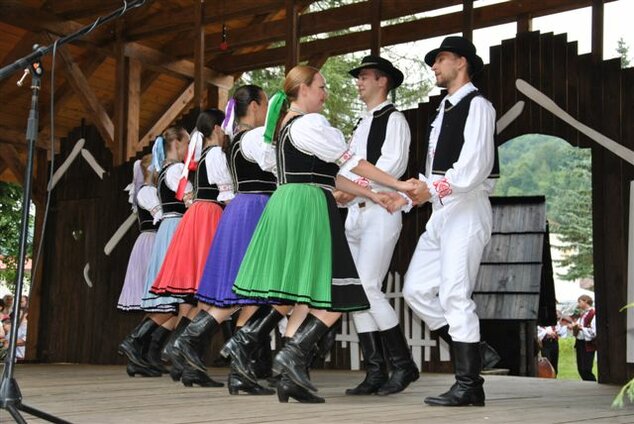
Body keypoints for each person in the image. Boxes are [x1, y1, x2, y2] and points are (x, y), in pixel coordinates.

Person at [222, 65, 417, 404]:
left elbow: (331, 174)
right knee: (337, 294)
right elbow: (351, 162)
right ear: (303, 89)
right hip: (308, 207)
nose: (326, 93)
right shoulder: (312, 124)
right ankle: (292, 355)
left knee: (305, 295)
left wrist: (373, 195)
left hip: (292, 202)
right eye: (322, 87)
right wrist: (398, 184)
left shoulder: (285, 126)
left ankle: (288, 376)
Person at [393, 36, 499, 407]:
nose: (434, 67)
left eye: (440, 59)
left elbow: (474, 167)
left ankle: (470, 384)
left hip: (466, 206)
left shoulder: (478, 106)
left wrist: (430, 190)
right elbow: (433, 172)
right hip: (442, 210)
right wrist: (407, 196)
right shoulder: (444, 109)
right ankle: (475, 349)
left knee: (455, 294)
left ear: (462, 62)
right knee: (416, 290)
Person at [172, 85, 277, 396]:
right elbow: (278, 166)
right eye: (266, 104)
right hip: (257, 209)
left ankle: (211, 353)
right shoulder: (256, 138)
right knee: (257, 292)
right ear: (256, 106)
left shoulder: (231, 144)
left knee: (248, 295)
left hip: (243, 209)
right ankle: (199, 345)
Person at [337, 55, 418, 396]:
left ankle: (403, 365)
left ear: (383, 81)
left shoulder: (394, 119)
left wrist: (356, 188)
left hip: (380, 211)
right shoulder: (361, 123)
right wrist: (344, 191)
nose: (359, 81)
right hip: (355, 212)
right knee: (356, 291)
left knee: (368, 286)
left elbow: (393, 166)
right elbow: (347, 162)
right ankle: (375, 371)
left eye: (365, 76)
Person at [569, 295, 596, 381]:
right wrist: (573, 326)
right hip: (580, 342)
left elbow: (594, 331)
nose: (578, 304)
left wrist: (581, 328)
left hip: (587, 344)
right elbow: (578, 324)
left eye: (580, 301)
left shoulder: (593, 313)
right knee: (580, 368)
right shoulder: (583, 313)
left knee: (586, 369)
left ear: (586, 301)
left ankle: (593, 385)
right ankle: (588, 385)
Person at [537, 311, 568, 376]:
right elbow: (538, 331)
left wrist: (556, 331)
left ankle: (555, 376)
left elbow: (559, 330)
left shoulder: (553, 321)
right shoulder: (540, 321)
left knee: (554, 362)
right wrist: (547, 333)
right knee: (547, 362)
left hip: (554, 343)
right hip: (545, 343)